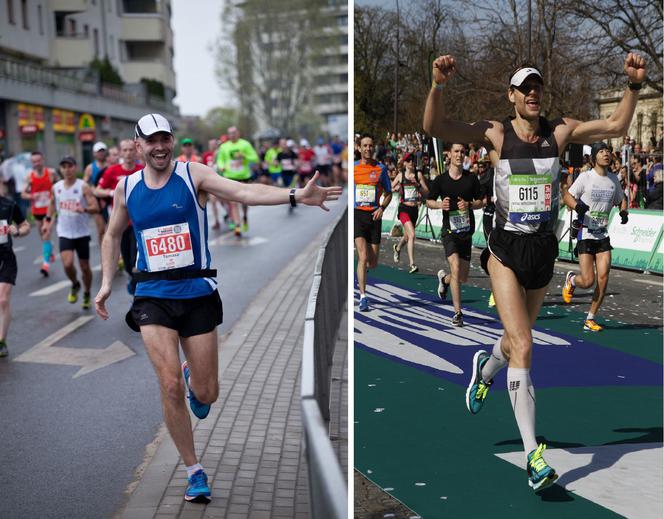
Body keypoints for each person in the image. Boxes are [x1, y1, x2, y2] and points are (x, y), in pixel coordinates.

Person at [424, 52, 645, 491]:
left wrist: (634, 86)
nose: (532, 93)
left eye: (536, 87)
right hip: (505, 250)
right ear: (511, 96)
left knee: (512, 340)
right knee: (524, 344)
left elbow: (616, 127)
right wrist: (438, 85)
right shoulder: (495, 133)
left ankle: (485, 369)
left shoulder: (558, 132)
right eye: (523, 87)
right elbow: (435, 127)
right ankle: (533, 456)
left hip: (543, 251)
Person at [95, 113, 341, 504]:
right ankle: (194, 470)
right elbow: (111, 235)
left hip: (197, 293)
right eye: (151, 141)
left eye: (165, 139)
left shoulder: (193, 175)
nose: (159, 147)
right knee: (170, 385)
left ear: (172, 141)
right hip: (152, 295)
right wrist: (108, 282)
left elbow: (242, 192)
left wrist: (296, 195)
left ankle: (196, 376)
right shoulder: (126, 188)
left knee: (206, 394)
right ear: (137, 145)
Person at [561, 142, 628, 331]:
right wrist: (577, 206)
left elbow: (621, 198)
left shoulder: (613, 179)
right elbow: (567, 196)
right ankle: (572, 280)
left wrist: (624, 212)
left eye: (608, 151)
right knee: (588, 280)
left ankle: (590, 318)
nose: (606, 154)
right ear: (594, 158)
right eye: (601, 151)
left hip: (603, 234)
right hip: (585, 232)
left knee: (604, 276)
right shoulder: (585, 177)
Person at [426, 143, 482, 326]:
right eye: (456, 151)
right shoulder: (441, 180)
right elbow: (428, 201)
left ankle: (444, 279)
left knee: (461, 277)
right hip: (449, 231)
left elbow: (483, 200)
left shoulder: (471, 179)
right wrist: (439, 205)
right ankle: (458, 313)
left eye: (462, 152)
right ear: (449, 154)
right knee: (456, 267)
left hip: (466, 232)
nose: (459, 155)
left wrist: (470, 205)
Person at [44, 156, 99, 309]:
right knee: (67, 264)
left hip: (81, 233)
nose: (67, 170)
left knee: (85, 267)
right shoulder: (56, 187)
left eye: (70, 166)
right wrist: (47, 223)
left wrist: (85, 209)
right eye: (64, 167)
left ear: (75, 168)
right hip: (64, 232)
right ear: (60, 169)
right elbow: (52, 205)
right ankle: (75, 284)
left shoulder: (83, 187)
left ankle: (87, 292)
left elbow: (95, 207)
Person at [95, 139, 144, 287]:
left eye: (131, 150)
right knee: (128, 260)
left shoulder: (143, 170)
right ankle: (131, 276)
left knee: (137, 256)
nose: (128, 153)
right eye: (125, 150)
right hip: (120, 222)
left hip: (139, 221)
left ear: (136, 151)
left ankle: (139, 286)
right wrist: (112, 193)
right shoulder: (113, 171)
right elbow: (97, 190)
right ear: (120, 152)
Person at [354, 134, 392, 312]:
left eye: (371, 145)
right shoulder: (353, 168)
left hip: (375, 216)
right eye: (365, 146)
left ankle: (364, 269)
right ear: (359, 148)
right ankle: (363, 296)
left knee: (373, 262)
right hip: (358, 215)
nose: (368, 148)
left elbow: (389, 193)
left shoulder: (380, 169)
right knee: (362, 257)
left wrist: (381, 208)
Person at [0, 186, 30, 357]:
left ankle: (1, 341)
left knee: (3, 300)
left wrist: (17, 231)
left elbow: (25, 226)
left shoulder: (8, 205)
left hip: (6, 259)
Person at [216, 126, 259, 236]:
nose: (232, 135)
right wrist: (221, 166)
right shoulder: (224, 147)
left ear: (238, 133)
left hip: (244, 176)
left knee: (244, 201)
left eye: (234, 133)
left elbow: (255, 158)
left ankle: (244, 215)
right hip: (230, 177)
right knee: (233, 202)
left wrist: (244, 155)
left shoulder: (245, 144)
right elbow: (220, 160)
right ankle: (237, 225)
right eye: (230, 133)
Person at [391, 152, 429, 273]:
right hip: (404, 209)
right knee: (412, 235)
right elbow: (390, 187)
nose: (411, 162)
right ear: (405, 163)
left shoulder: (418, 175)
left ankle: (397, 248)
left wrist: (418, 185)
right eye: (409, 161)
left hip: (414, 209)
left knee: (407, 236)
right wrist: (397, 188)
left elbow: (427, 192)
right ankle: (412, 264)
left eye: (413, 160)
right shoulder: (401, 175)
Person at [22, 151, 56, 276]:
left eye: (38, 160)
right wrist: (32, 195)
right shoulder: (30, 177)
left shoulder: (51, 173)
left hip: (50, 210)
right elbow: (23, 194)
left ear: (43, 160)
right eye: (34, 161)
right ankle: (49, 249)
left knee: (46, 233)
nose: (36, 163)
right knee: (42, 236)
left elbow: (60, 186)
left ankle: (45, 264)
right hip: (36, 211)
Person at [84, 141, 110, 247]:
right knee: (101, 230)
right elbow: (84, 184)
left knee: (111, 229)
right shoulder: (90, 168)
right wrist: (92, 189)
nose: (101, 154)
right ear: (94, 153)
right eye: (99, 152)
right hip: (97, 202)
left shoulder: (110, 166)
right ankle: (103, 252)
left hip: (109, 200)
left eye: (103, 151)